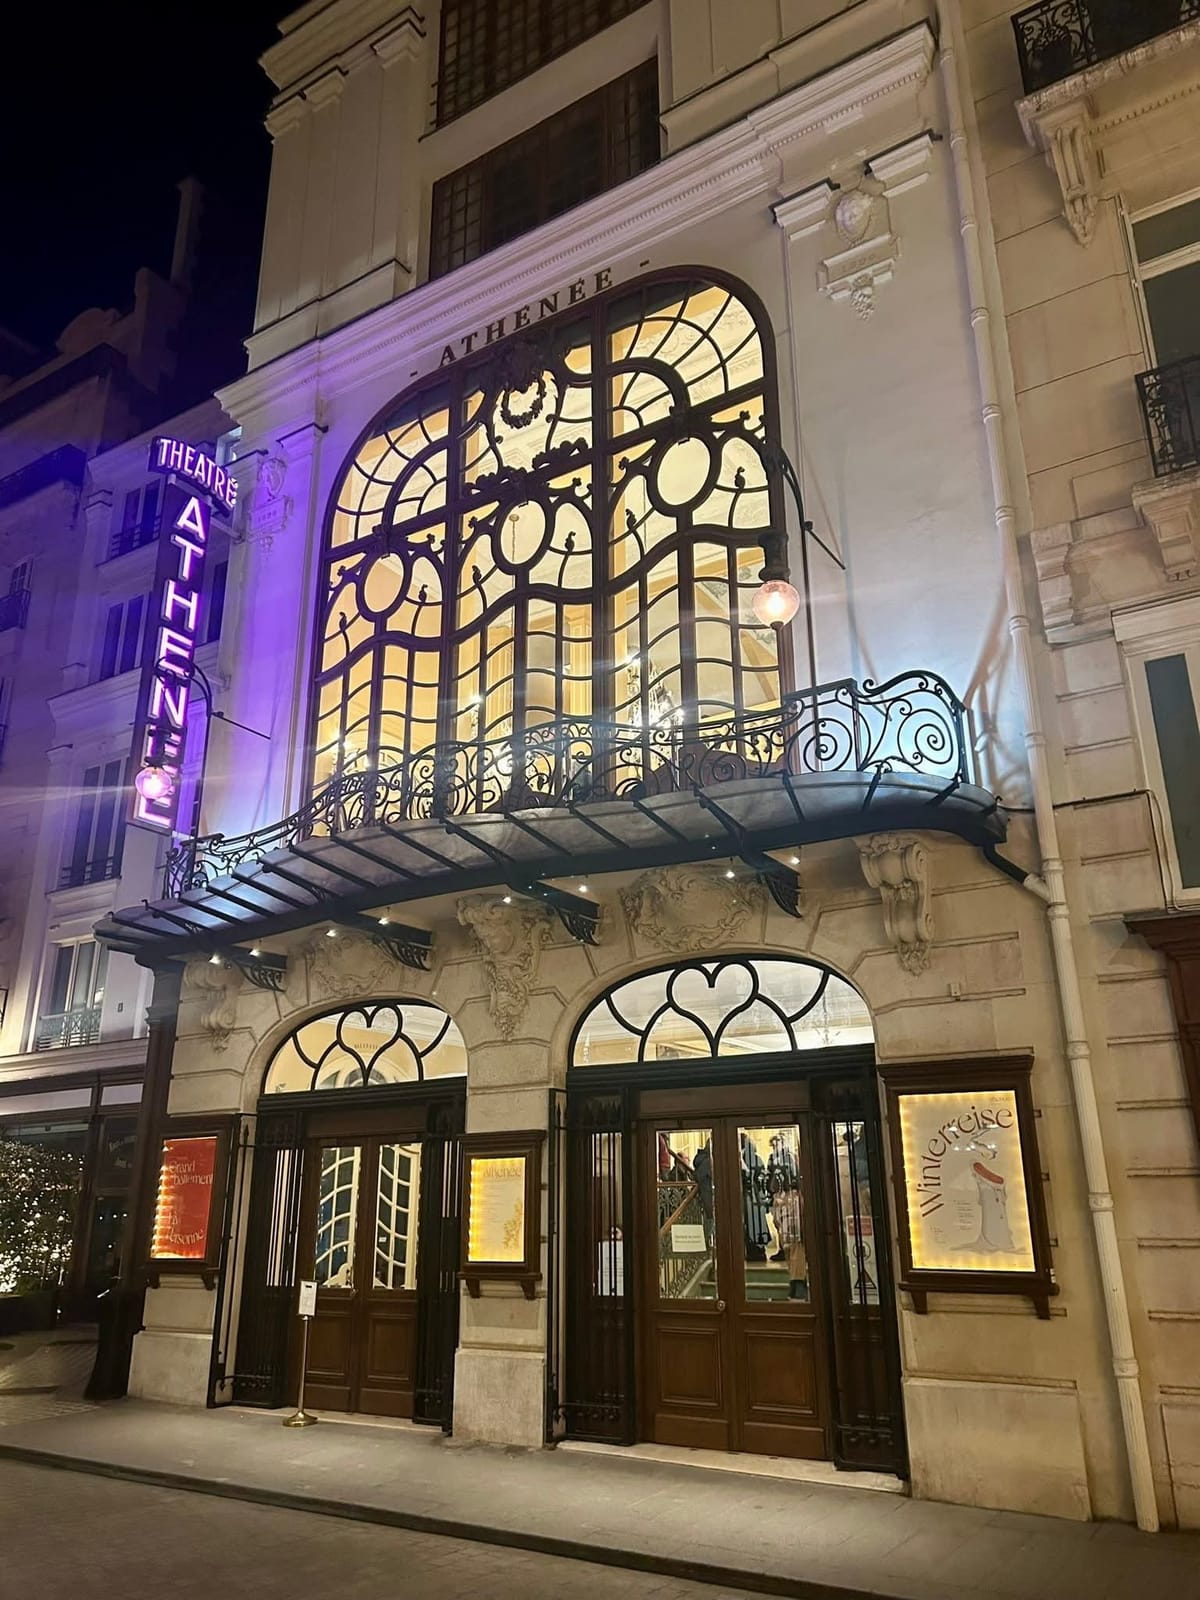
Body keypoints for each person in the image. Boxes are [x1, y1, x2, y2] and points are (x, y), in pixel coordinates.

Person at [740, 1131, 771, 1262]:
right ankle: (753, 1251)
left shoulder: (753, 1159)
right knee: (751, 1224)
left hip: (752, 1196)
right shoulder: (752, 1158)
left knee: (755, 1224)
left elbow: (758, 1177)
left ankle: (757, 1252)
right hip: (751, 1196)